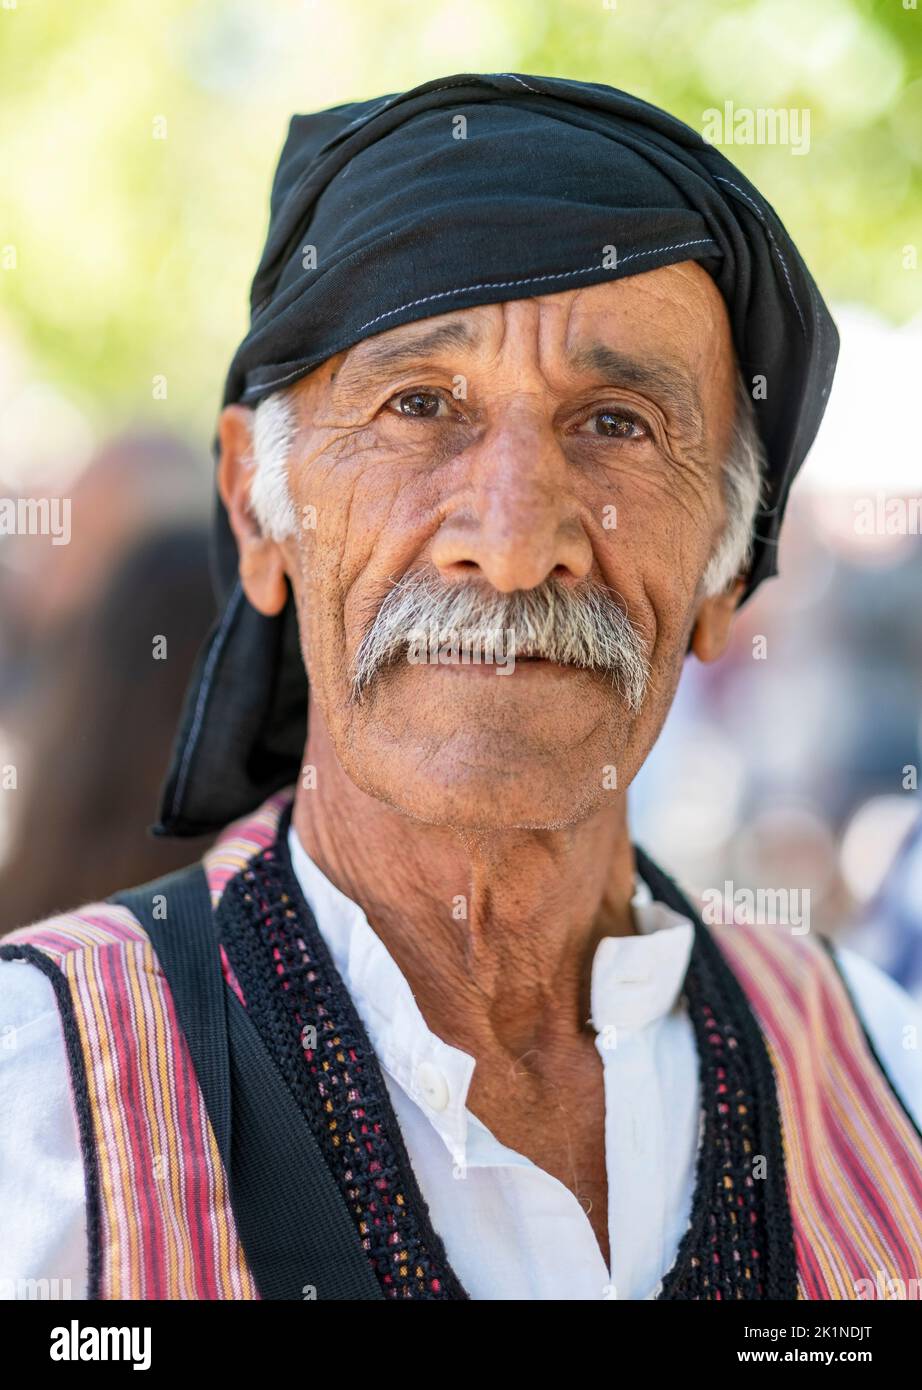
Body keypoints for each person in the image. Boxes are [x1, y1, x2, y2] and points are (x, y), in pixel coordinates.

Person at [1, 73, 920, 1303]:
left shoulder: (883, 1075)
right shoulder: (37, 1111)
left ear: (723, 570)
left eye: (616, 423)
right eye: (419, 404)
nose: (512, 536)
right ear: (257, 510)